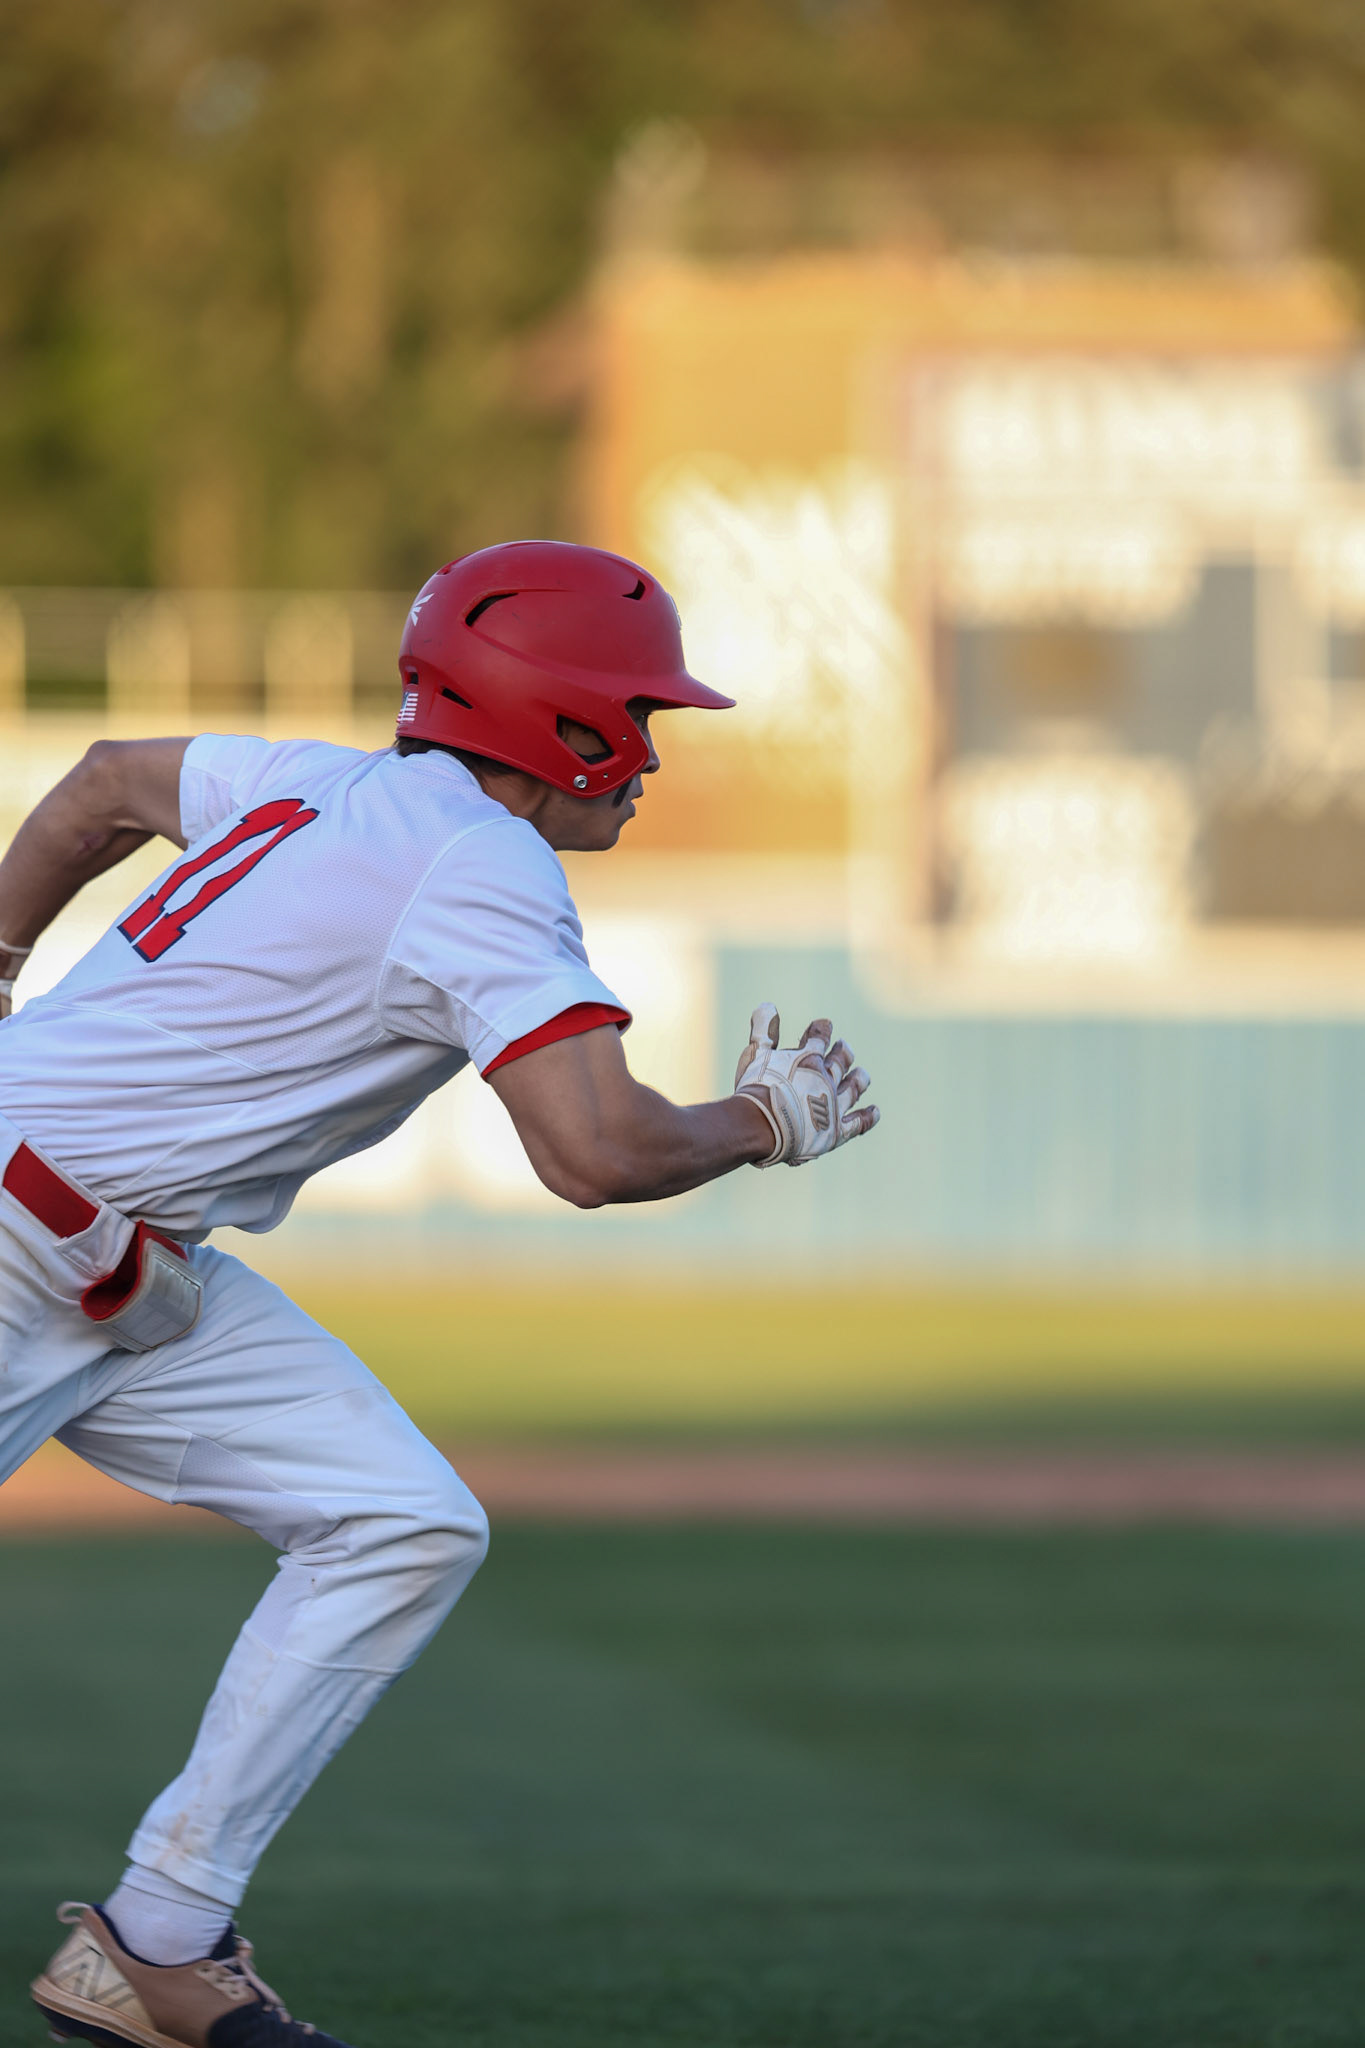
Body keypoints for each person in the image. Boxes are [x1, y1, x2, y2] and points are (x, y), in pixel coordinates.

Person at [0, 540, 878, 2048]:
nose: (651, 754)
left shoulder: (322, 780)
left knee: (399, 1520)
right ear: (564, 721)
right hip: (24, 1240)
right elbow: (594, 1153)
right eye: (640, 715)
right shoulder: (479, 861)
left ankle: (155, 1942)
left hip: (124, 1271)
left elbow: (99, 783)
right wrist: (761, 1120)